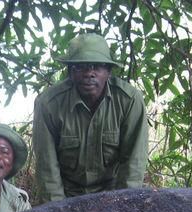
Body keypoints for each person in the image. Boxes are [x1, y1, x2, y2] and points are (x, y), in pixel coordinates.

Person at [33, 33, 150, 201]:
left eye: (97, 66)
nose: (89, 73)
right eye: (81, 67)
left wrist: (121, 208)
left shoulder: (129, 100)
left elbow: (133, 165)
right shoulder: (49, 103)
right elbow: (47, 169)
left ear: (109, 72)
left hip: (112, 194)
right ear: (70, 72)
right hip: (66, 195)